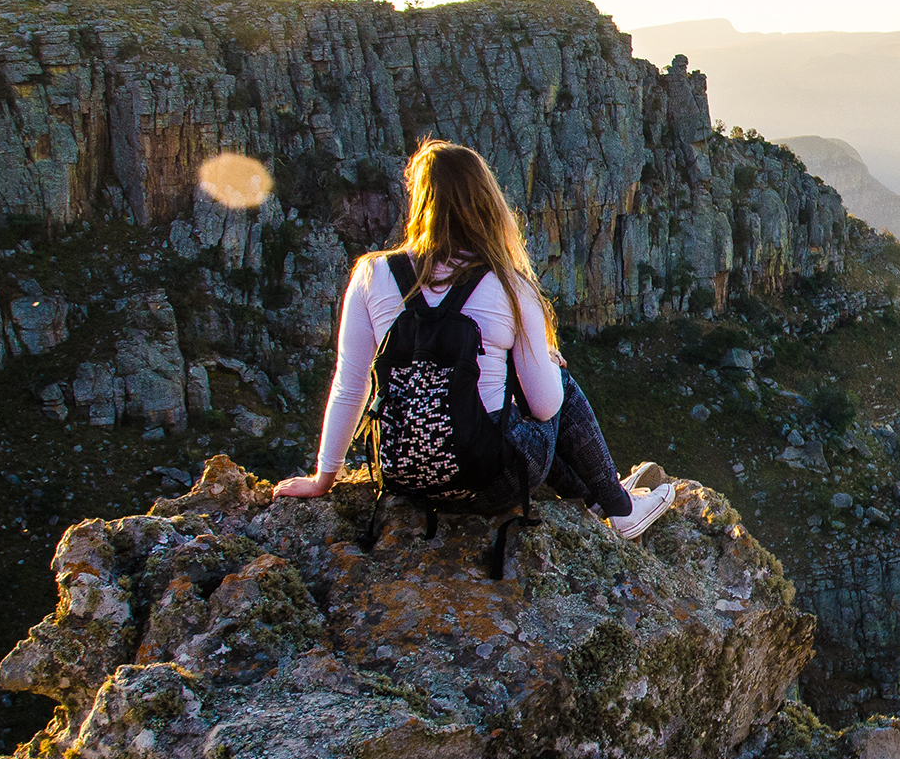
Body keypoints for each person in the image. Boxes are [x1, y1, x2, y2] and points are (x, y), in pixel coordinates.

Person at [274, 139, 673, 540]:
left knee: (510, 400)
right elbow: (546, 405)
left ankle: (601, 499)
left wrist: (323, 477)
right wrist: (542, 362)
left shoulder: (370, 275)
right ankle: (620, 507)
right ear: (487, 202)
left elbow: (350, 384)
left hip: (405, 479)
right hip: (489, 483)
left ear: (419, 202)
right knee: (554, 385)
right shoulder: (509, 284)